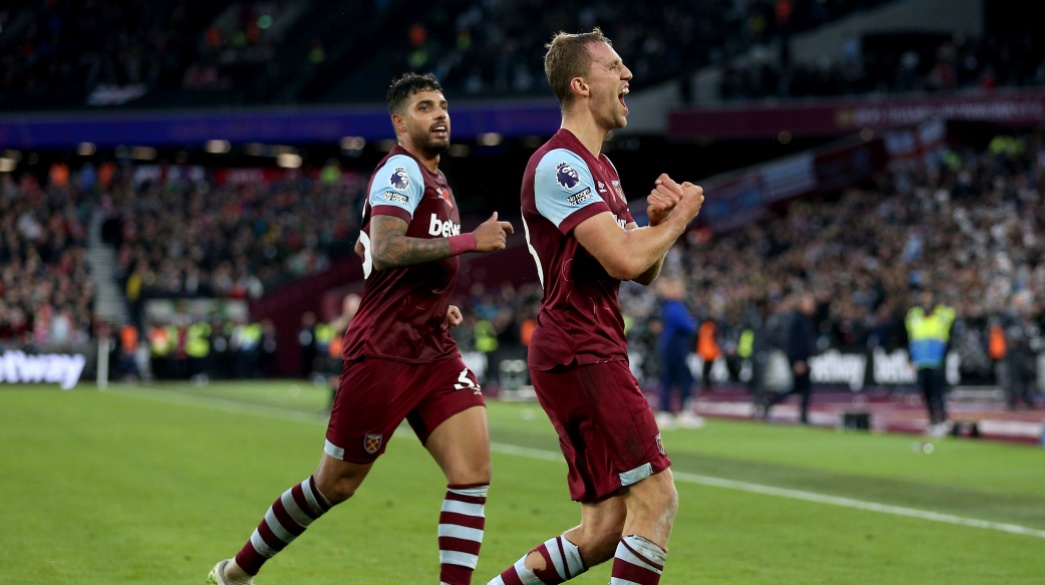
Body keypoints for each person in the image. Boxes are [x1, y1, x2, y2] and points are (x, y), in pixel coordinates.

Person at [207, 73, 514, 585]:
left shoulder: (435, 178)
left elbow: (377, 249)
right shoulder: (400, 169)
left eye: (442, 105)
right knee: (336, 484)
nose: (440, 114)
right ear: (399, 122)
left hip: (433, 348)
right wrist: (468, 242)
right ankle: (239, 571)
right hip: (385, 351)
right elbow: (389, 248)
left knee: (472, 474)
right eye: (424, 107)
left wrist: (438, 305)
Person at [487, 28, 703, 585]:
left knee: (606, 527)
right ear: (582, 84)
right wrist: (680, 219)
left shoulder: (600, 169)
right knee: (656, 497)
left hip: (582, 347)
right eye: (615, 67)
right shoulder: (562, 165)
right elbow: (627, 262)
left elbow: (640, 267)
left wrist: (657, 227)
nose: (628, 76)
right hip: (582, 348)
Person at [904, 289, 956, 434]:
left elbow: (949, 336)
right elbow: (911, 339)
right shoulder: (913, 316)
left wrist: (946, 356)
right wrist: (911, 358)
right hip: (921, 361)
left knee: (938, 393)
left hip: (938, 361)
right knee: (925, 393)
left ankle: (943, 420)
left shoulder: (943, 315)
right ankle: (933, 420)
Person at [655, 276, 703, 430]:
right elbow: (688, 326)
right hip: (675, 346)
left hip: (670, 345)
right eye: (678, 287)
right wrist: (693, 323)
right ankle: (683, 412)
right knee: (685, 379)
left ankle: (666, 412)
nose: (682, 291)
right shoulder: (675, 306)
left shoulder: (668, 306)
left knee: (668, 379)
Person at [762, 293, 817, 424]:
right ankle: (802, 415)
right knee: (804, 388)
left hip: (801, 358)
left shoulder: (803, 319)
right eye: (809, 303)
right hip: (799, 359)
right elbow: (793, 341)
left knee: (797, 387)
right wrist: (798, 360)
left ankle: (771, 402)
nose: (812, 306)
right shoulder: (797, 320)